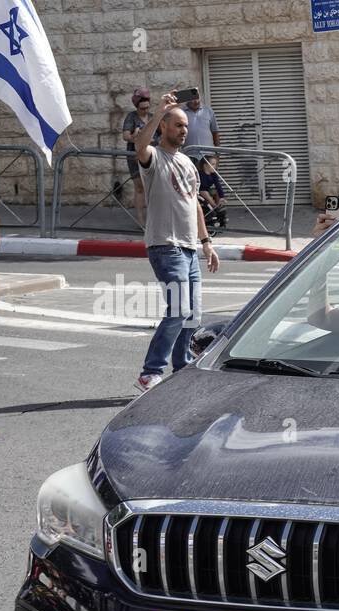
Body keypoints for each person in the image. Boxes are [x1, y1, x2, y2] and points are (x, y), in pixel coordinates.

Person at [132, 92, 220, 393]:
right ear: (164, 128)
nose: (183, 130)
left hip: (189, 247)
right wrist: (160, 111)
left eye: (185, 126)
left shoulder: (187, 162)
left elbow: (195, 204)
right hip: (164, 245)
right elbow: (139, 145)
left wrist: (206, 242)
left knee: (192, 313)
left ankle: (182, 367)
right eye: (177, 125)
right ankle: (150, 371)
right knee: (179, 309)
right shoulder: (155, 157)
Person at [121, 88, 159, 222]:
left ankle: (154, 219)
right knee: (139, 187)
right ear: (136, 106)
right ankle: (141, 220)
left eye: (147, 108)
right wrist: (137, 138)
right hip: (135, 156)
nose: (145, 110)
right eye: (142, 108)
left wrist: (153, 141)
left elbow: (161, 135)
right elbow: (126, 136)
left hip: (152, 156)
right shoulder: (131, 117)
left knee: (153, 187)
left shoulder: (153, 117)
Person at [197, 154, 228, 233]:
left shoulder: (214, 175)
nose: (215, 166)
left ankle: (219, 205)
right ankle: (214, 207)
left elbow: (218, 186)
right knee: (204, 192)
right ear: (205, 165)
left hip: (207, 190)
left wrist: (222, 197)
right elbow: (201, 187)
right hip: (199, 191)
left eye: (216, 164)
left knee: (216, 191)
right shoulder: (200, 174)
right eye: (213, 164)